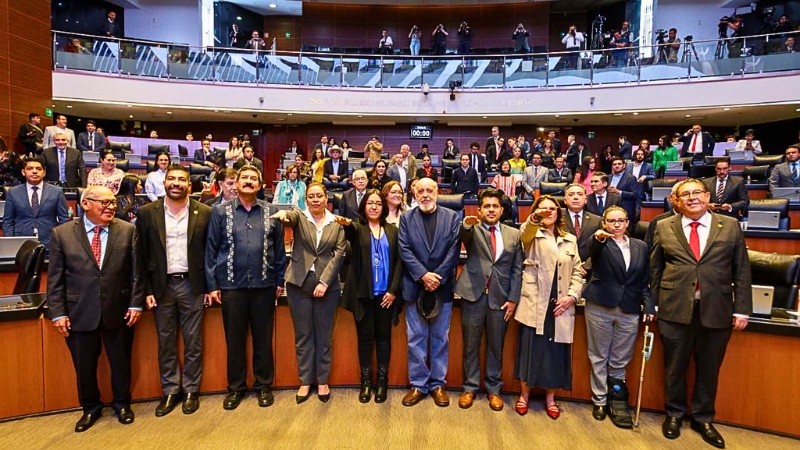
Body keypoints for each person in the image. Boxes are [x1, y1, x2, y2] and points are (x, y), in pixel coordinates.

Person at [649, 179, 752, 448]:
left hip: (717, 308)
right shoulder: (663, 226)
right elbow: (655, 268)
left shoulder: (730, 225)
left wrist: (742, 309)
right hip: (674, 308)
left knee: (709, 368)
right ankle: (674, 414)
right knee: (674, 367)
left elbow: (741, 269)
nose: (692, 198)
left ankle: (703, 418)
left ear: (707, 197)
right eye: (685, 194)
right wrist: (654, 304)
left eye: (697, 193)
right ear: (676, 201)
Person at [48, 186, 143, 432]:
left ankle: (122, 404)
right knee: (84, 366)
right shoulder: (62, 234)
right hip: (79, 311)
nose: (111, 207)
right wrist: (58, 312)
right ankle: (90, 408)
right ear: (86, 203)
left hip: (119, 309)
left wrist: (136, 303)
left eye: (113, 202)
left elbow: (137, 272)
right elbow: (55, 279)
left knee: (121, 362)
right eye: (105, 202)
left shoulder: (128, 230)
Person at [206, 166, 286, 410]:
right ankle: (236, 387)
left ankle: (263, 385)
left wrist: (279, 281)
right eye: (244, 178)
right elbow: (211, 249)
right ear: (236, 183)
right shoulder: (220, 212)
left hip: (264, 285)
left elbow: (279, 251)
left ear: (260, 185)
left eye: (254, 178)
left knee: (263, 338)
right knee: (234, 340)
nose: (249, 181)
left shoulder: (272, 212)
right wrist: (212, 285)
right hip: (231, 286)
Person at [136, 165, 212, 417]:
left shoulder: (205, 212)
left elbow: (210, 253)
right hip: (161, 286)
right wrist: (146, 289)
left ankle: (191, 390)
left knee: (193, 341)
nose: (176, 183)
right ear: (164, 182)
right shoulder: (147, 213)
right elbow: (140, 254)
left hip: (193, 285)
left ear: (189, 185)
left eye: (181, 179)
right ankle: (170, 390)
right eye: (171, 179)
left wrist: (209, 286)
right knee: (166, 341)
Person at [272, 183, 346, 404]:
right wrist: (283, 215)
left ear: (326, 198)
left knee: (324, 336)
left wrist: (324, 282)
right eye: (311, 196)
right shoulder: (300, 217)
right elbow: (289, 217)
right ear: (306, 199)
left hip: (327, 286)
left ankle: (322, 381)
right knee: (303, 336)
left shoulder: (336, 223)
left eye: (319, 196)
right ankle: (305, 381)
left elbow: (339, 254)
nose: (315, 200)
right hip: (299, 284)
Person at [514, 195, 584, 419]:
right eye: (542, 209)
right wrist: (536, 217)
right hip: (535, 302)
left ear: (558, 213)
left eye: (552, 209)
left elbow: (578, 272)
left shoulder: (569, 239)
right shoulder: (531, 234)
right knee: (530, 350)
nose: (548, 212)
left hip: (560, 304)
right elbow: (524, 232)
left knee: (555, 353)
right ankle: (524, 396)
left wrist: (572, 296)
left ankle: (550, 398)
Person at [583, 206, 650, 428]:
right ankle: (599, 400)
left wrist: (649, 304)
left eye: (621, 220)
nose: (617, 224)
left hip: (629, 307)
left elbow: (644, 279)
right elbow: (593, 247)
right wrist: (598, 238)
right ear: (604, 224)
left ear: (628, 223)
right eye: (611, 221)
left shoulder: (640, 246)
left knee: (620, 359)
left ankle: (617, 399)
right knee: (599, 356)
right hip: (600, 305)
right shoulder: (600, 243)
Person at [456, 189, 523, 411]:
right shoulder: (472, 228)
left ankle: (494, 389)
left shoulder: (514, 234)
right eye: (487, 206)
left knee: (496, 346)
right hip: (473, 294)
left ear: (502, 210)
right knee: (470, 345)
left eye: (495, 206)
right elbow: (463, 236)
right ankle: (469, 387)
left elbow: (517, 269)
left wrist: (513, 299)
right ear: (480, 210)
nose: (491, 210)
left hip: (500, 298)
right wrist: (466, 224)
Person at [398, 178, 460, 407]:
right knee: (416, 338)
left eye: (429, 190)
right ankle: (418, 384)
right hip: (415, 287)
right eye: (420, 191)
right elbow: (404, 249)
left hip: (442, 288)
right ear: (414, 194)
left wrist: (436, 277)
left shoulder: (452, 217)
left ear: (437, 192)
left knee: (440, 338)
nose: (425, 194)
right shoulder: (406, 218)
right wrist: (423, 275)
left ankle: (437, 384)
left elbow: (454, 250)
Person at [336, 189, 403, 403]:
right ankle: (365, 383)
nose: (374, 206)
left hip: (386, 296)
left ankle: (382, 382)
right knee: (365, 340)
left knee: (383, 339)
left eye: (378, 203)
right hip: (364, 296)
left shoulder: (393, 231)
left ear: (383, 207)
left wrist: (393, 290)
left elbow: (400, 262)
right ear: (363, 207)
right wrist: (346, 224)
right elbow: (350, 231)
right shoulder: (358, 229)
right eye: (370, 203)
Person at [2, 157, 68, 248]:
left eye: (38, 169)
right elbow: (8, 221)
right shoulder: (13, 192)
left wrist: (60, 242)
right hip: (21, 242)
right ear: (23, 172)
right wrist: (11, 242)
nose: (34, 171)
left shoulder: (56, 192)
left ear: (44, 173)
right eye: (30, 168)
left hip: (50, 242)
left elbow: (64, 220)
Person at [562, 184, 602, 266]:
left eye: (580, 194)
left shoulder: (597, 220)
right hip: (563, 266)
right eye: (571, 194)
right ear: (565, 200)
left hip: (589, 268)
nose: (576, 197)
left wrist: (586, 265)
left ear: (585, 200)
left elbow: (600, 247)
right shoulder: (557, 219)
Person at [607, 157, 639, 222]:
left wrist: (619, 192)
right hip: (610, 209)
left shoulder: (631, 178)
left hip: (625, 210)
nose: (617, 166)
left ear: (624, 166)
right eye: (614, 164)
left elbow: (635, 194)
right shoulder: (608, 177)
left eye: (619, 164)